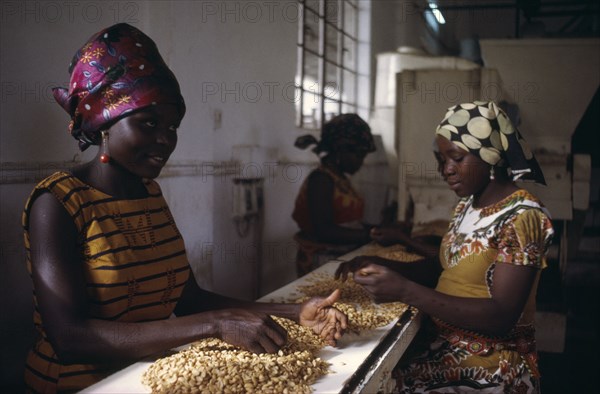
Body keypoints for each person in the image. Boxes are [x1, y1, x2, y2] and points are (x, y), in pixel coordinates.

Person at [23, 23, 347, 393]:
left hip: (146, 377)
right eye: (148, 122)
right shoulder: (58, 203)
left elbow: (189, 298)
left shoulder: (149, 194)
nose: (165, 139)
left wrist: (298, 312)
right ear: (104, 121)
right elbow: (69, 337)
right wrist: (216, 324)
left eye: (173, 125)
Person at [336, 101, 554, 393]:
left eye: (457, 158)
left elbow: (501, 317)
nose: (446, 170)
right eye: (441, 160)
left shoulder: (523, 216)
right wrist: (383, 266)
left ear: (489, 156)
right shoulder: (467, 205)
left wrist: (404, 290)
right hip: (441, 344)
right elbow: (444, 270)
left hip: (488, 367)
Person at [292, 113, 377, 275]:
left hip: (341, 257)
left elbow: (350, 222)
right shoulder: (321, 180)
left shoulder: (341, 179)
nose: (361, 162)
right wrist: (369, 235)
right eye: (358, 155)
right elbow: (324, 230)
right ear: (340, 150)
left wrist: (378, 229)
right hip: (320, 261)